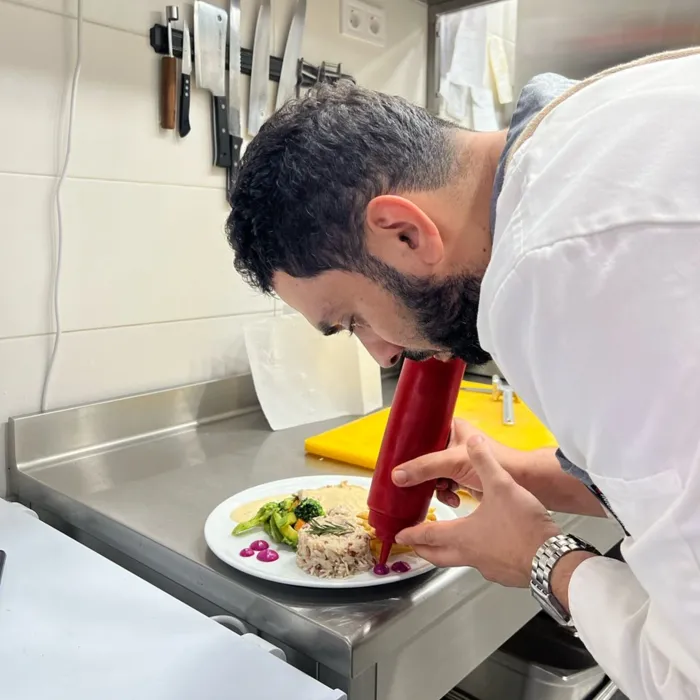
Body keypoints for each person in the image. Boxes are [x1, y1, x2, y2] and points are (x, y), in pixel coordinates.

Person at [226, 47, 700, 699]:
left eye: (352, 319)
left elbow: (688, 671)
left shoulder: (555, 274)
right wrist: (520, 472)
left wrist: (541, 558)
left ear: (404, 233)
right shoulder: (591, 126)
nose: (381, 355)